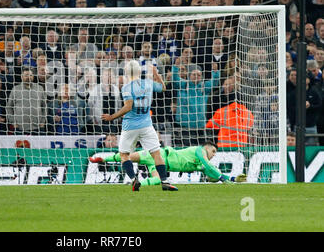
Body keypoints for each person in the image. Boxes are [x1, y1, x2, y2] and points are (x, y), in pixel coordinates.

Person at [101, 60, 178, 191]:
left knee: (124, 155)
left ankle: (133, 179)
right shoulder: (148, 83)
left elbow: (128, 106)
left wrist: (112, 117)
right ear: (139, 71)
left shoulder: (126, 88)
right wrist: (156, 74)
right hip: (147, 125)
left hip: (130, 126)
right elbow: (163, 87)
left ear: (126, 72)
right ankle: (164, 181)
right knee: (156, 154)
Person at [90, 141, 247, 186]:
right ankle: (104, 158)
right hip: (158, 154)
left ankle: (136, 184)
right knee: (129, 156)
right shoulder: (199, 150)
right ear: (207, 147)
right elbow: (210, 168)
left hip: (160, 165)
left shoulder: (200, 164)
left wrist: (231, 179)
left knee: (159, 180)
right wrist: (225, 179)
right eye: (213, 151)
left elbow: (212, 174)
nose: (213, 155)